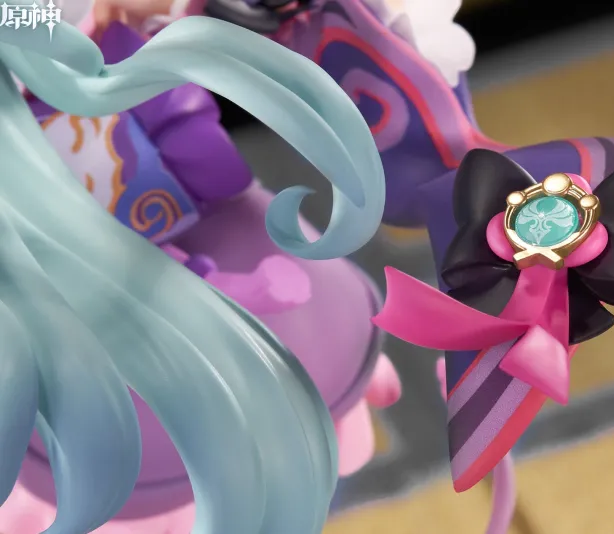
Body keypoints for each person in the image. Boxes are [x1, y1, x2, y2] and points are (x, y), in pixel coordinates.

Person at [0, 13, 384, 533]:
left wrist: (202, 161)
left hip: (186, 211)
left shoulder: (82, 42)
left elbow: (178, 116)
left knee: (307, 316)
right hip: (69, 291)